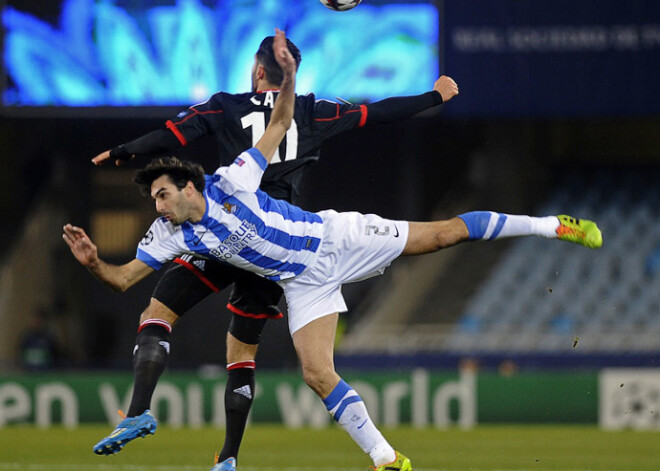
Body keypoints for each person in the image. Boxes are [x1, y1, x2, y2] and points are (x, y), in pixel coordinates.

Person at [64, 29, 602, 471]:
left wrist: (290, 78)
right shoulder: (172, 235)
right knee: (317, 374)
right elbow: (123, 279)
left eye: (161, 194)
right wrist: (93, 263)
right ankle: (386, 457)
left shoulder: (233, 181)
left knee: (443, 235)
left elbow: (275, 125)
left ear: (188, 188)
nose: (156, 205)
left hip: (334, 239)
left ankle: (551, 225)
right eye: (152, 198)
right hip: (302, 283)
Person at [88, 26, 459, 470]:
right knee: (242, 352)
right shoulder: (312, 110)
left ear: (257, 70)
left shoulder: (224, 105)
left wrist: (124, 151)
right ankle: (228, 457)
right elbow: (377, 113)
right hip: (278, 247)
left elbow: (173, 136)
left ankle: (140, 409)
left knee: (157, 313)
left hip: (221, 229)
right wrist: (433, 97)